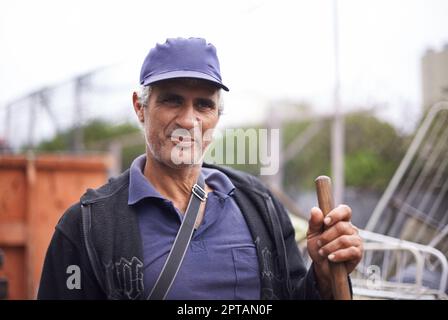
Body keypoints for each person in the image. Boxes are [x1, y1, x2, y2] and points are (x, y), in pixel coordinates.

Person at [37, 37, 363, 300]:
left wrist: (321, 275)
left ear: (217, 116)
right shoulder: (87, 226)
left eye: (203, 104)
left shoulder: (259, 206)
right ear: (140, 107)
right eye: (172, 100)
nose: (189, 120)